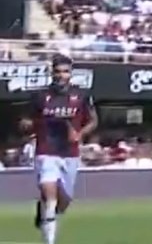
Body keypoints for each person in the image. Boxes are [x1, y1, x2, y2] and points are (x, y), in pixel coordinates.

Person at [20, 54, 96, 244]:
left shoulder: (81, 96)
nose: (61, 75)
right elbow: (25, 120)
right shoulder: (40, 96)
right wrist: (26, 125)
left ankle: (43, 211)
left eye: (65, 72)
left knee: (65, 201)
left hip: (70, 153)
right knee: (50, 195)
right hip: (46, 151)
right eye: (57, 71)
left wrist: (79, 134)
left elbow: (93, 120)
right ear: (51, 73)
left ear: (71, 74)